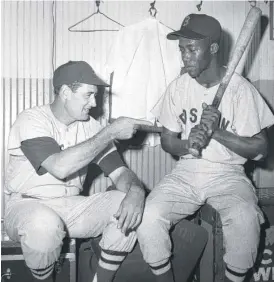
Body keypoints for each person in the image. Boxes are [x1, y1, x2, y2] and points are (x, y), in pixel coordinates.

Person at [136, 14, 274, 282]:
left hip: (228, 174)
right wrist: (189, 143)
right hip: (186, 172)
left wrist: (217, 133)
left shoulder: (240, 90)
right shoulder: (177, 87)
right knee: (149, 216)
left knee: (245, 220)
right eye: (182, 49)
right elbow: (167, 141)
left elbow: (261, 149)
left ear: (212, 48)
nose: (185, 56)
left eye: (192, 49)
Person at [4, 60, 152, 282]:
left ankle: (101, 280)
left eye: (95, 95)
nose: (94, 103)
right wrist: (110, 132)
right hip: (27, 205)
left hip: (72, 208)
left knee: (129, 203)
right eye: (88, 95)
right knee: (44, 225)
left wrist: (137, 192)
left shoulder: (91, 127)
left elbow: (120, 173)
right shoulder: (32, 119)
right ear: (65, 92)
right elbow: (59, 167)